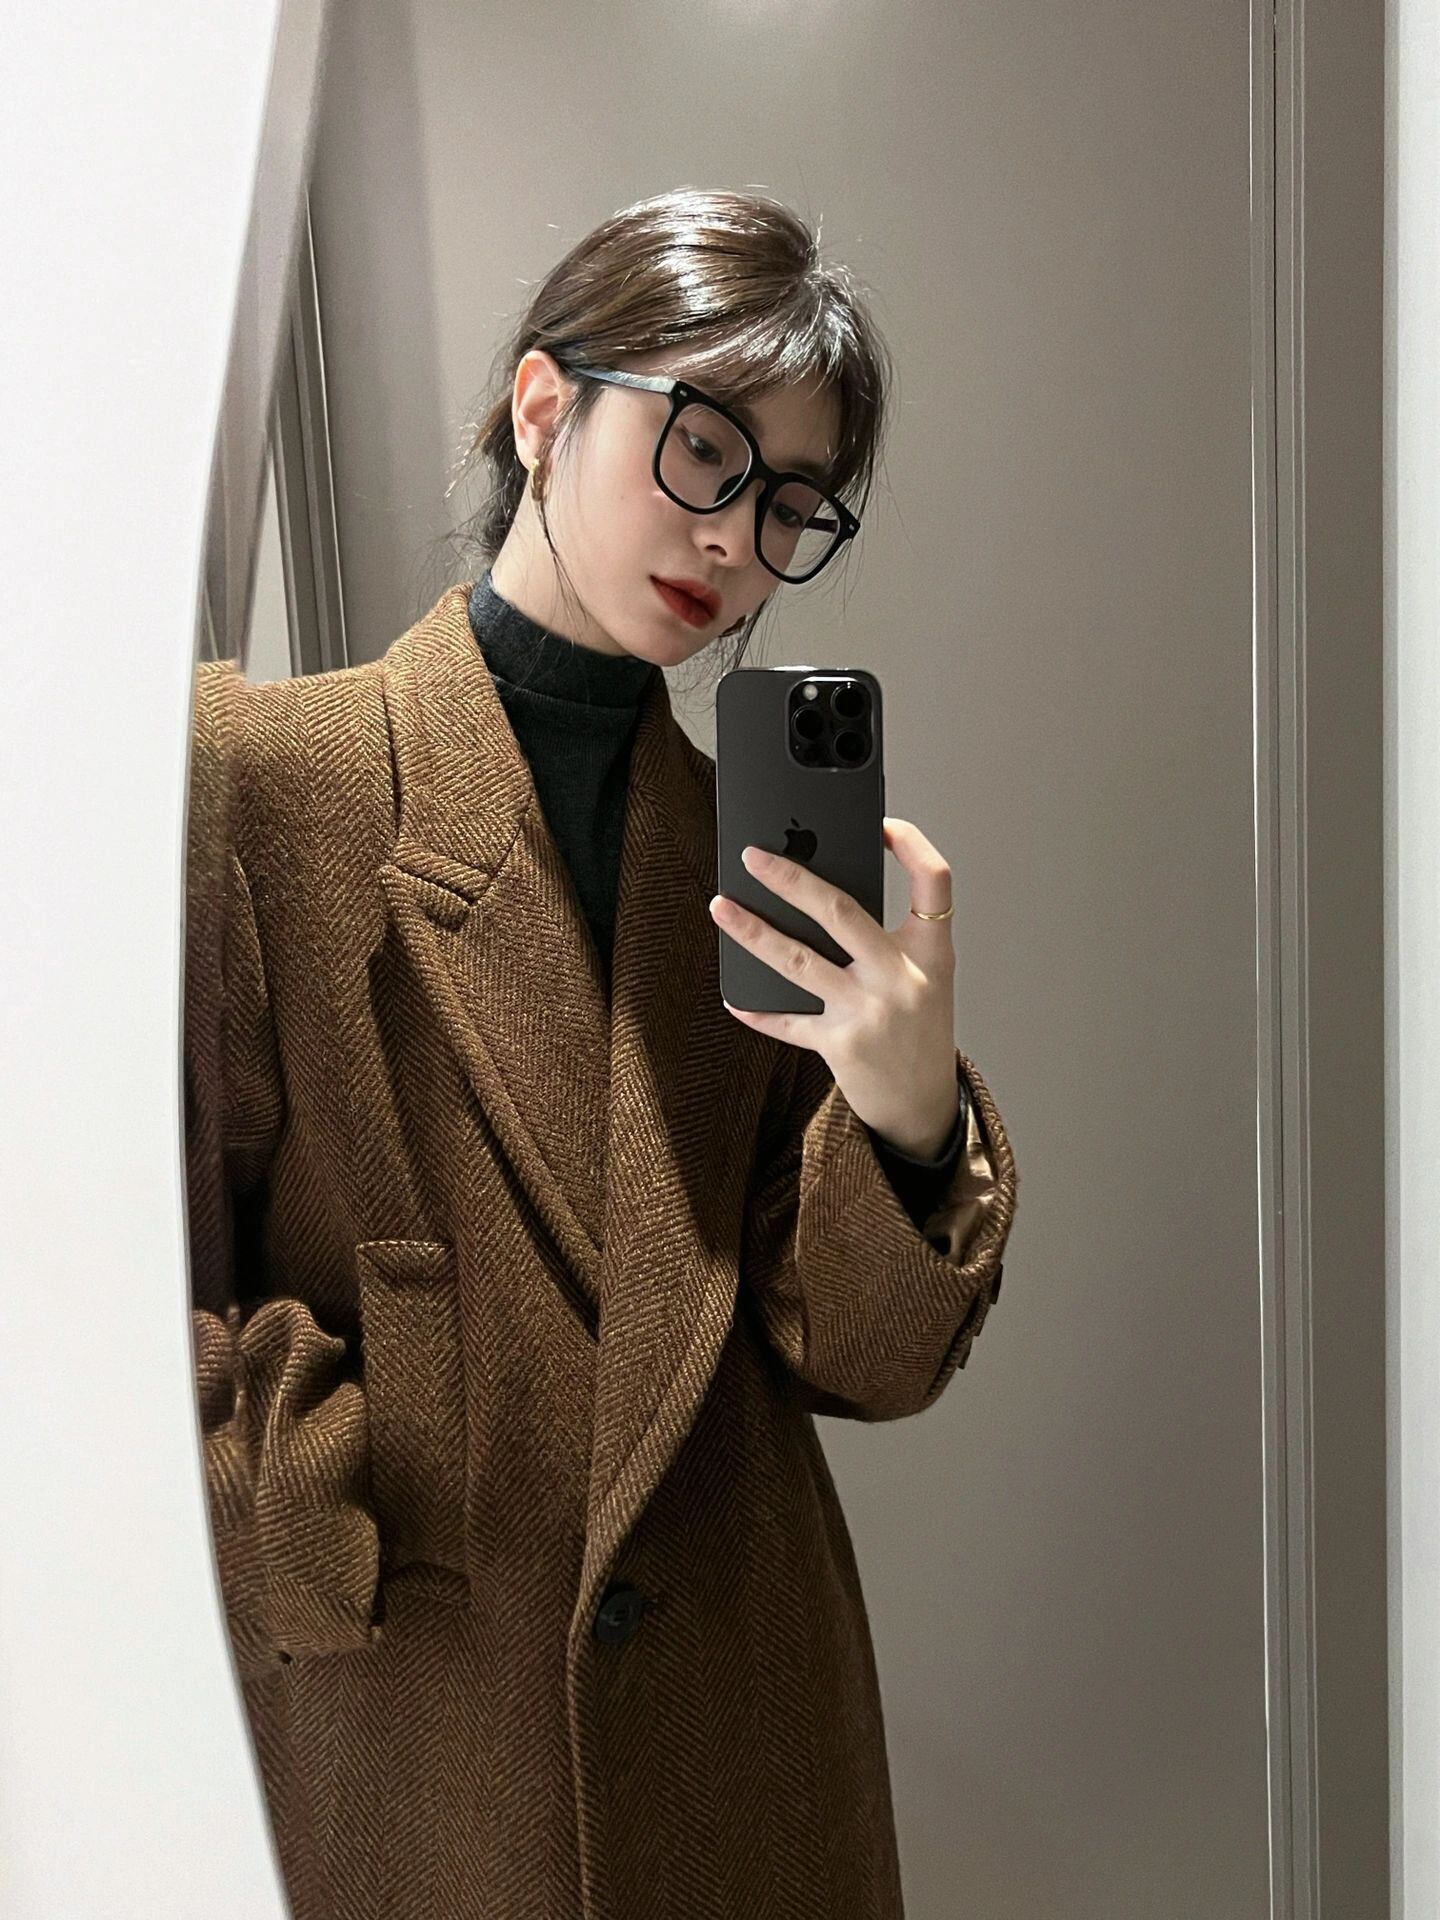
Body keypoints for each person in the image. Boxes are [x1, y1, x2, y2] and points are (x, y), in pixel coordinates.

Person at [186, 186, 1017, 1920]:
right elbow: (107, 1300)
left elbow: (860, 1365)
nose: (737, 539)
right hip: (431, 1741)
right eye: (706, 448)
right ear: (542, 408)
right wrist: (333, 1498)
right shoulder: (263, 785)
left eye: (790, 503)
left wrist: (907, 1117)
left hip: (743, 1741)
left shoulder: (741, 858)